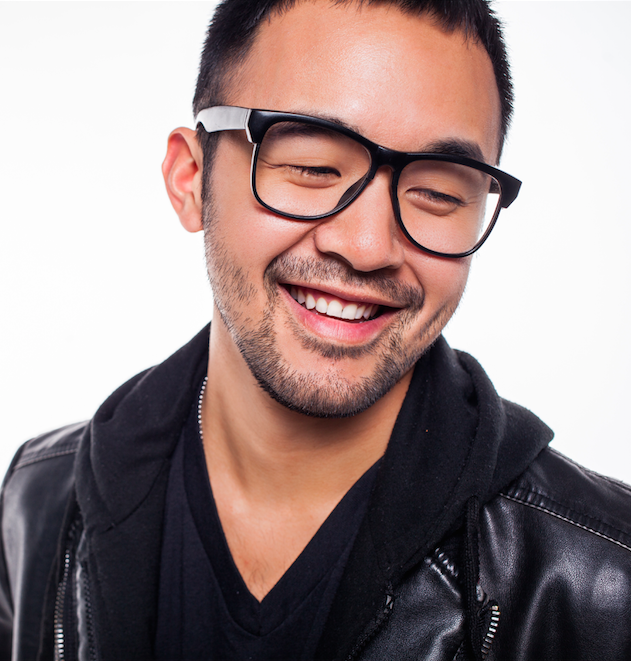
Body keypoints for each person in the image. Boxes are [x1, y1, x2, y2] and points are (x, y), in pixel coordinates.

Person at [1, 0, 631, 659]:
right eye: (311, 165)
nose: (366, 245)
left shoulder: (601, 577)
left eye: (439, 192)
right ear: (191, 178)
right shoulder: (39, 499)